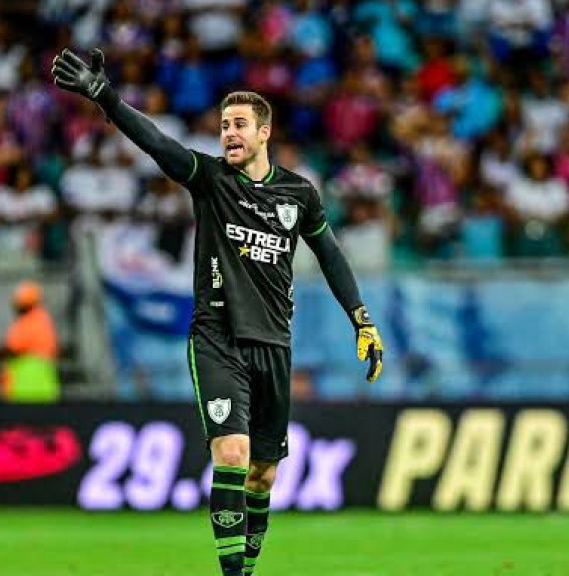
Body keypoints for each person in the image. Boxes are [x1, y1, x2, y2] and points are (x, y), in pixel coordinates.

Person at [52, 49, 383, 576]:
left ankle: (245, 567)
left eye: (239, 125)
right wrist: (106, 98)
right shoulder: (208, 178)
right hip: (217, 339)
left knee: (263, 476)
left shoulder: (299, 194)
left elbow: (331, 255)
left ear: (264, 133)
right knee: (231, 453)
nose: (229, 133)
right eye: (225, 125)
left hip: (274, 344)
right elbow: (157, 143)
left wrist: (361, 319)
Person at [0, 281, 60, 403]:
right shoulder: (44, 320)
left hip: (26, 386)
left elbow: (13, 346)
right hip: (43, 385)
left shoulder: (30, 321)